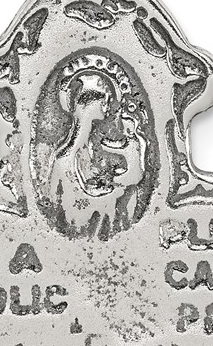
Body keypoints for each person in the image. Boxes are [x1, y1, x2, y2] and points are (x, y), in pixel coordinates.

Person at [45, 61, 149, 239]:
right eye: (105, 99)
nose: (108, 107)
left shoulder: (102, 156)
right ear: (89, 103)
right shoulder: (63, 163)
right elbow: (59, 217)